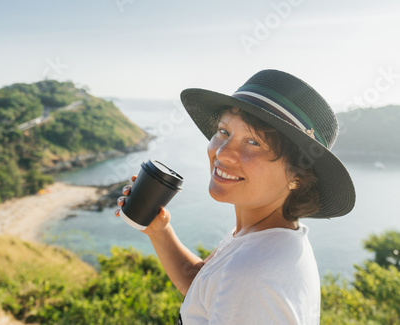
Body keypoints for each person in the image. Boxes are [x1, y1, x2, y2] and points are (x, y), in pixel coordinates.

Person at [115, 69, 356, 324]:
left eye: (253, 142)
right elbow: (206, 289)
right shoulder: (265, 237)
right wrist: (159, 231)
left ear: (297, 173)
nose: (222, 153)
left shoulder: (253, 275)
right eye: (223, 132)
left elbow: (236, 286)